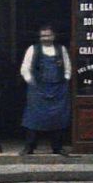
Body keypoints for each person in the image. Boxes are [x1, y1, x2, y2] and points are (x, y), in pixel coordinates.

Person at [19, 25, 73, 155]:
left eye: (48, 35)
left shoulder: (61, 50)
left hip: (58, 89)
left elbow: (68, 67)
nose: (45, 38)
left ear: (53, 36)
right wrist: (30, 81)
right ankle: (29, 147)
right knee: (34, 118)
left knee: (58, 118)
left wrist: (66, 79)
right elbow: (25, 68)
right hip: (38, 88)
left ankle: (58, 147)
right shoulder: (33, 49)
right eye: (43, 36)